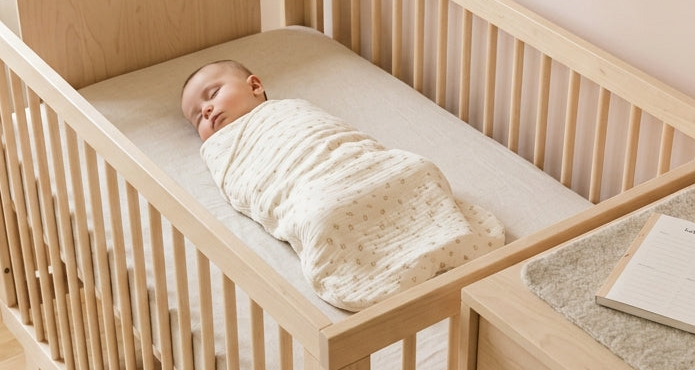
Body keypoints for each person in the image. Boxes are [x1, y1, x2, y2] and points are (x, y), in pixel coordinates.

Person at [179, 59, 504, 311]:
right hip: (311, 188)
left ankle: (437, 234)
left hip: (358, 163)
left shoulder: (290, 108)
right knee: (320, 214)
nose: (206, 111)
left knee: (417, 168)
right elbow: (249, 182)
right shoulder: (223, 151)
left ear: (255, 85)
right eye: (197, 119)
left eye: (212, 94)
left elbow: (334, 134)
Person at [180, 59, 267, 141]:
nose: (205, 111)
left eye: (214, 94)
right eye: (199, 118)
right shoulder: (214, 150)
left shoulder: (278, 109)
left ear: (254, 86)